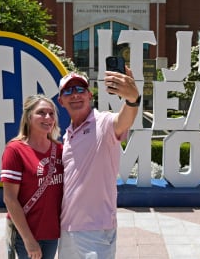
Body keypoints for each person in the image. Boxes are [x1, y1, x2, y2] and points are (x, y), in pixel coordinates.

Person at [57, 68, 141, 259]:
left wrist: (132, 100)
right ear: (61, 101)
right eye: (68, 91)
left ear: (89, 94)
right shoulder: (67, 135)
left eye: (80, 89)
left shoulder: (103, 123)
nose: (75, 94)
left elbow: (123, 120)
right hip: (67, 228)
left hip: (96, 230)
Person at [1, 94, 64, 259]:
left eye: (51, 114)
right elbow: (10, 199)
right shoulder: (15, 150)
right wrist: (28, 239)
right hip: (26, 234)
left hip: (52, 232)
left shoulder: (60, 149)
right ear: (28, 117)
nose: (48, 117)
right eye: (41, 113)